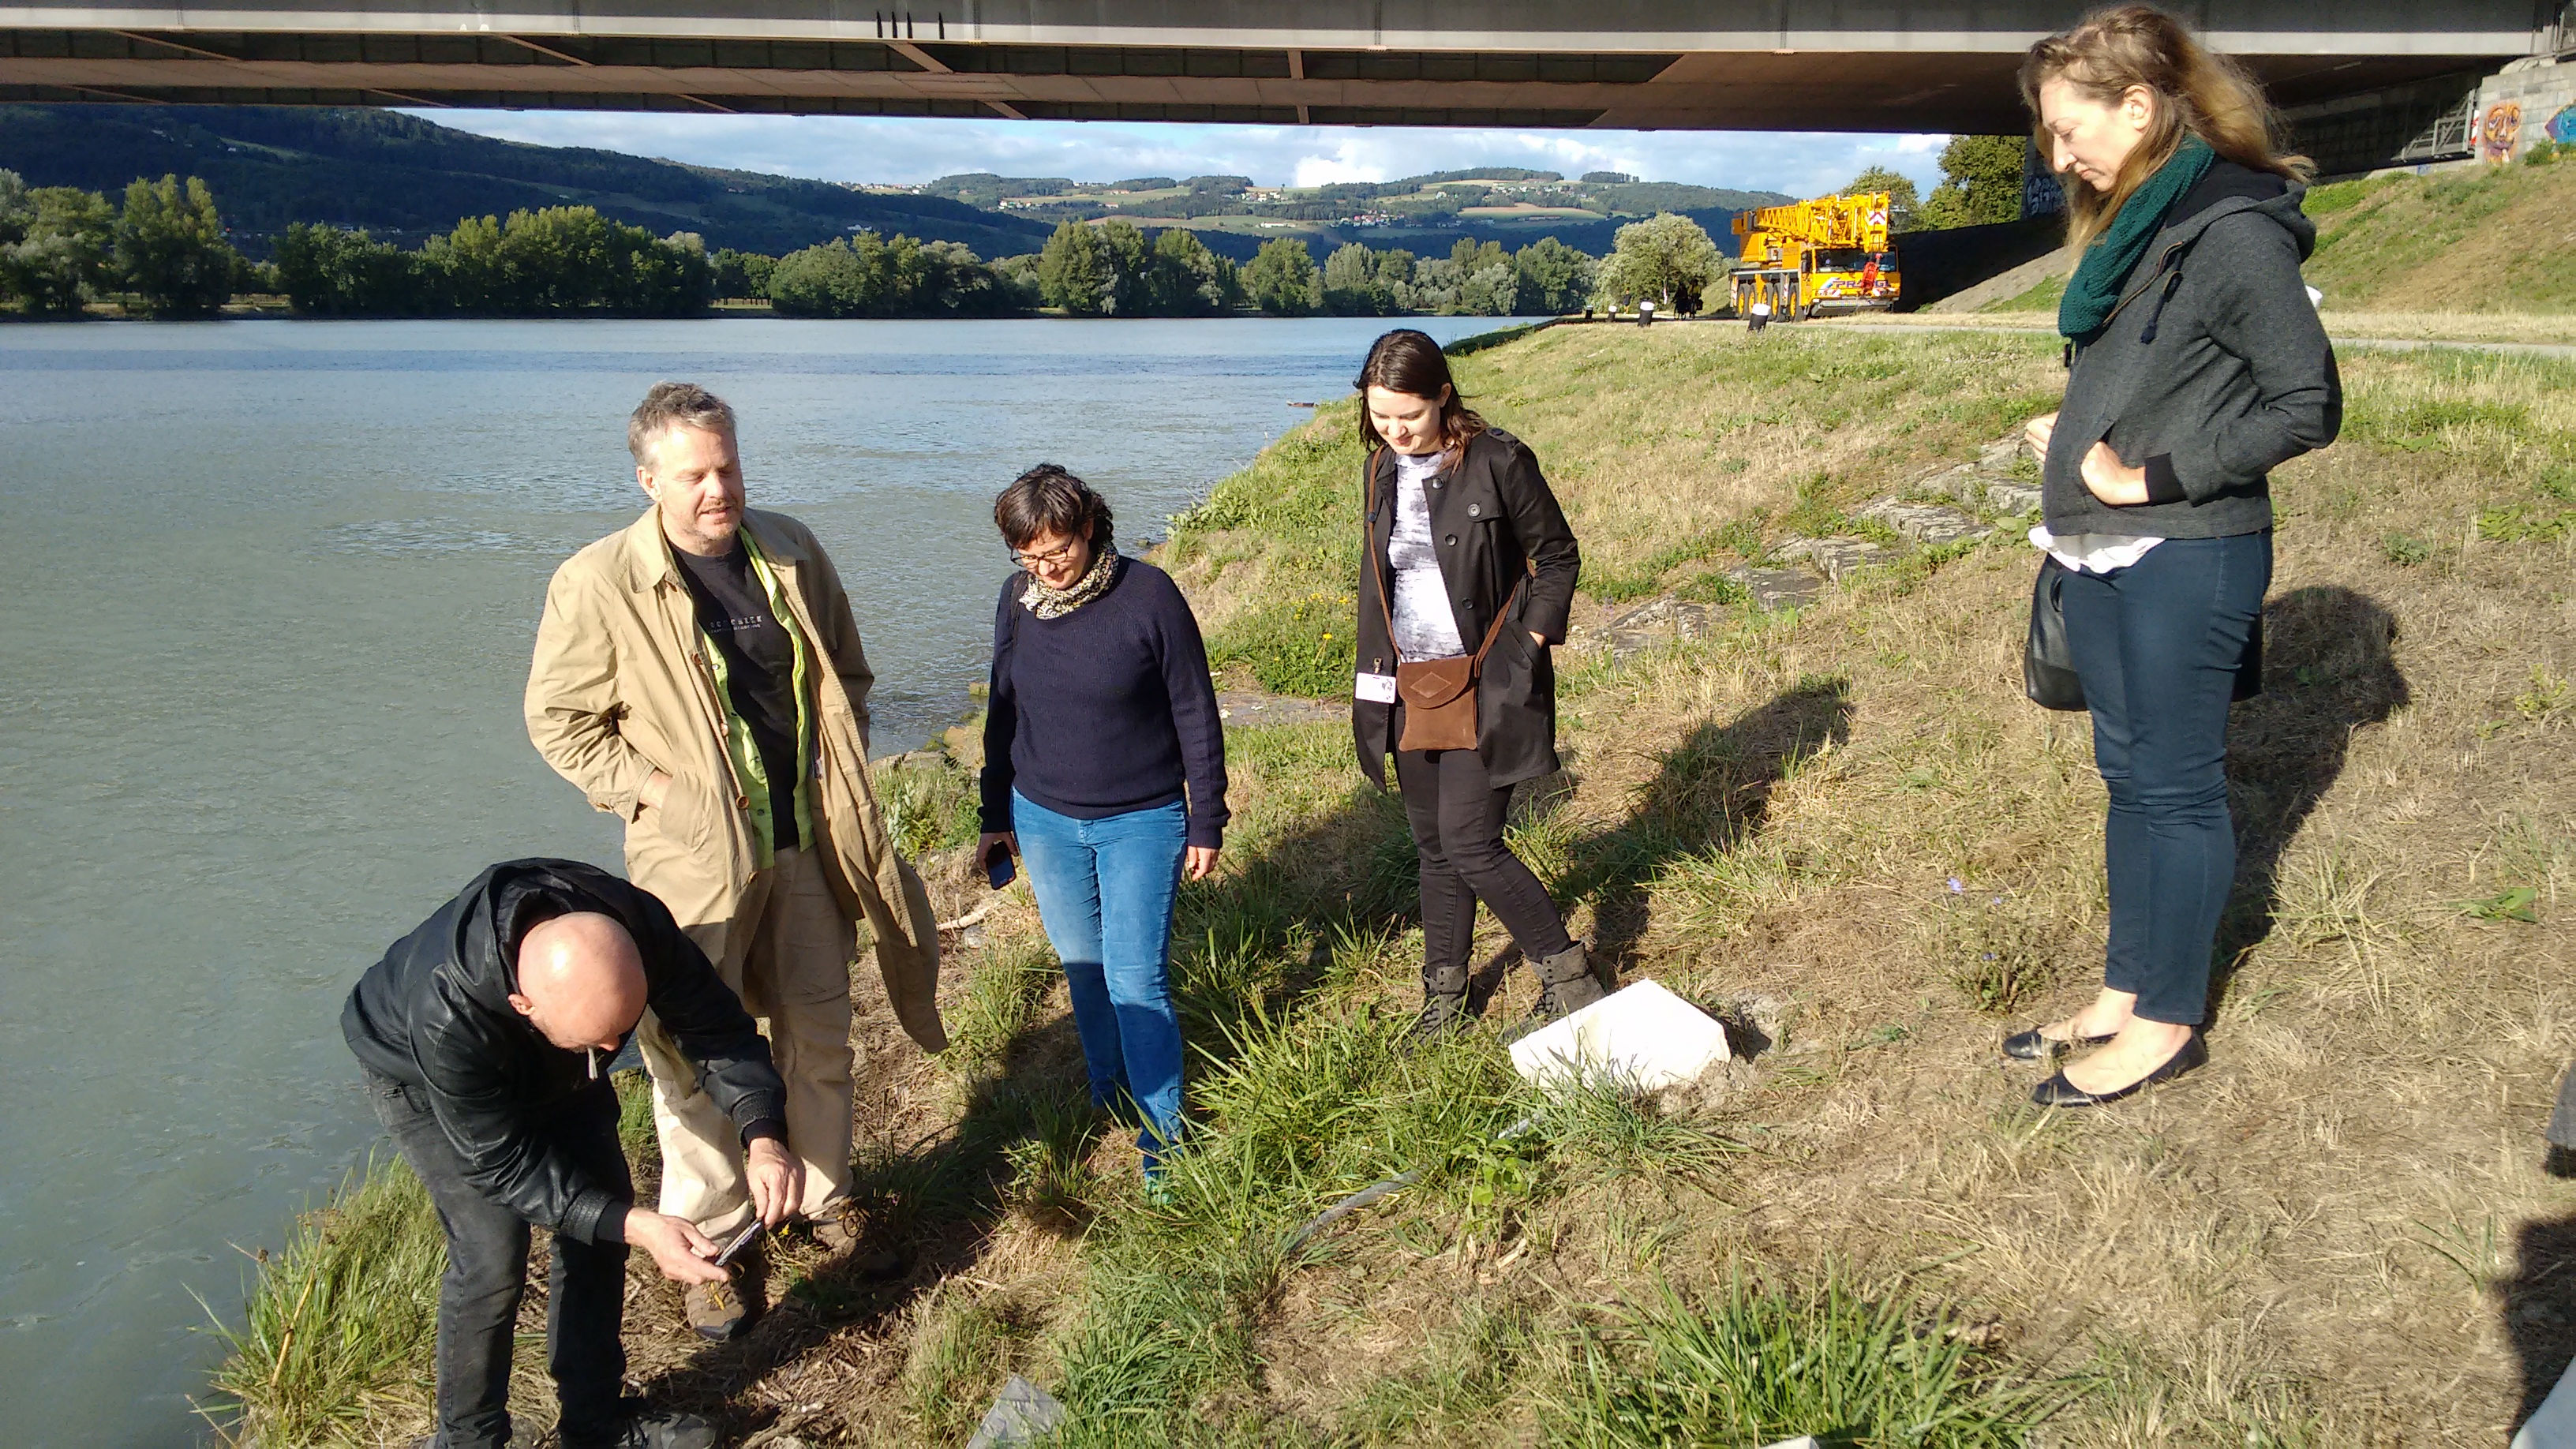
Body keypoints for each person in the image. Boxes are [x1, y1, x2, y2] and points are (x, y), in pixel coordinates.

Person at [526, 382, 948, 1339]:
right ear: (648, 481)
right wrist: (655, 792)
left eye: (728, 466)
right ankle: (713, 1241)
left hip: (807, 842)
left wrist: (843, 752)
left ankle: (824, 1198)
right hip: (692, 866)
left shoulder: (790, 549)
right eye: (694, 476)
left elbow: (847, 671)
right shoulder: (597, 582)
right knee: (690, 1054)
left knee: (820, 1026)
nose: (718, 490)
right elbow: (559, 721)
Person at [2007, 6, 2339, 1106]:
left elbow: (2306, 403)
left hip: (2184, 549)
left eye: (2069, 130)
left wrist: (2145, 476)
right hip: (2104, 553)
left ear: (2140, 107)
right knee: (2128, 780)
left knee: (2177, 788)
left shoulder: (2231, 227)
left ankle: (2166, 1023)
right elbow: (2168, 373)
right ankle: (2124, 990)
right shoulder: (2139, 228)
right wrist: (2079, 434)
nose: (2062, 158)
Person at [342, 859, 794, 1449]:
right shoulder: (446, 1015)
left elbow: (717, 1030)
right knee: (492, 1257)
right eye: (598, 1041)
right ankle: (468, 1439)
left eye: (621, 1034)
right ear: (524, 1004)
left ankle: (595, 1422)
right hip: (417, 1071)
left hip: (549, 1044)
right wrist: (638, 1226)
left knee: (601, 1216)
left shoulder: (634, 924)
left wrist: (764, 1136)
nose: (612, 1049)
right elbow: (503, 1164)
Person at [976, 464, 1226, 1192]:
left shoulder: (1149, 596)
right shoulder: (1017, 599)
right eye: (1028, 556)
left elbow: (1195, 711)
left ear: (1089, 528)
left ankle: (1163, 1143)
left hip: (1142, 820)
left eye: (1058, 550)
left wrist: (1207, 817)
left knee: (1136, 980)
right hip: (1043, 818)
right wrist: (994, 815)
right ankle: (1108, 1093)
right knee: (1085, 971)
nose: (1046, 568)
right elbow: (1001, 710)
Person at [1348, 329, 1595, 1038]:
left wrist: (1529, 644)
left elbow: (1557, 557)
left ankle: (1570, 979)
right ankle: (1446, 998)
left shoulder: (1498, 461)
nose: (1395, 431)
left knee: (1471, 844)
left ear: (1443, 396)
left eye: (1409, 416)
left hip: (1488, 686)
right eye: (1381, 416)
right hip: (1407, 687)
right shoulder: (1379, 470)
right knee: (1434, 848)